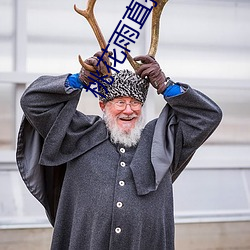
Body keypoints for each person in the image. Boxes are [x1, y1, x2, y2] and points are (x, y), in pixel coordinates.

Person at [16, 52, 222, 250]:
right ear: (103, 105)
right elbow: (32, 102)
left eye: (135, 103)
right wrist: (79, 79)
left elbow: (208, 116)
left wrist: (165, 85)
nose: (128, 110)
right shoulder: (79, 132)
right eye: (120, 102)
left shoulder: (163, 140)